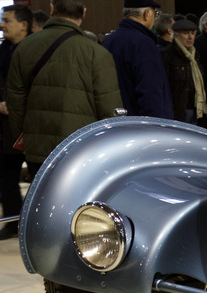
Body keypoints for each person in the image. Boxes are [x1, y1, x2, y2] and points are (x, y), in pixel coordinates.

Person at [7, 0, 122, 181]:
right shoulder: (97, 53)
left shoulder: (25, 47)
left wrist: (25, 135)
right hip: (80, 149)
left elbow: (15, 99)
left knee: (43, 200)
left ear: (52, 9)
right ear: (84, 13)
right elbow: (109, 107)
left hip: (37, 144)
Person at [0, 4, 31, 239]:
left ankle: (36, 227)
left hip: (33, 127)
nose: (1, 25)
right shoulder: (2, 50)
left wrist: (11, 106)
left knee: (40, 178)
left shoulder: (35, 49)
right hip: (7, 127)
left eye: (6, 20)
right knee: (6, 175)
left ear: (23, 25)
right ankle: (12, 222)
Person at [102, 0, 173, 119]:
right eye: (155, 14)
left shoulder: (108, 41)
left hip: (114, 121)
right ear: (147, 13)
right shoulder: (144, 43)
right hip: (140, 126)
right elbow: (150, 92)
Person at [161, 19, 206, 124]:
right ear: (176, 35)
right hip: (177, 111)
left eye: (193, 33)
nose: (190, 37)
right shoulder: (167, 55)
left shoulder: (195, 55)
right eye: (185, 33)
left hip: (195, 109)